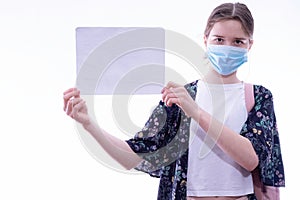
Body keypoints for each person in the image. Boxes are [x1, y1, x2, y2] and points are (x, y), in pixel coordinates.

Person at [63, 2, 285, 200]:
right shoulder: (179, 97)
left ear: (250, 45)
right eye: (219, 39)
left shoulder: (258, 96)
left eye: (237, 41)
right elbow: (134, 156)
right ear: (206, 39)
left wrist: (196, 112)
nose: (227, 48)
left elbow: (251, 159)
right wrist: (89, 124)